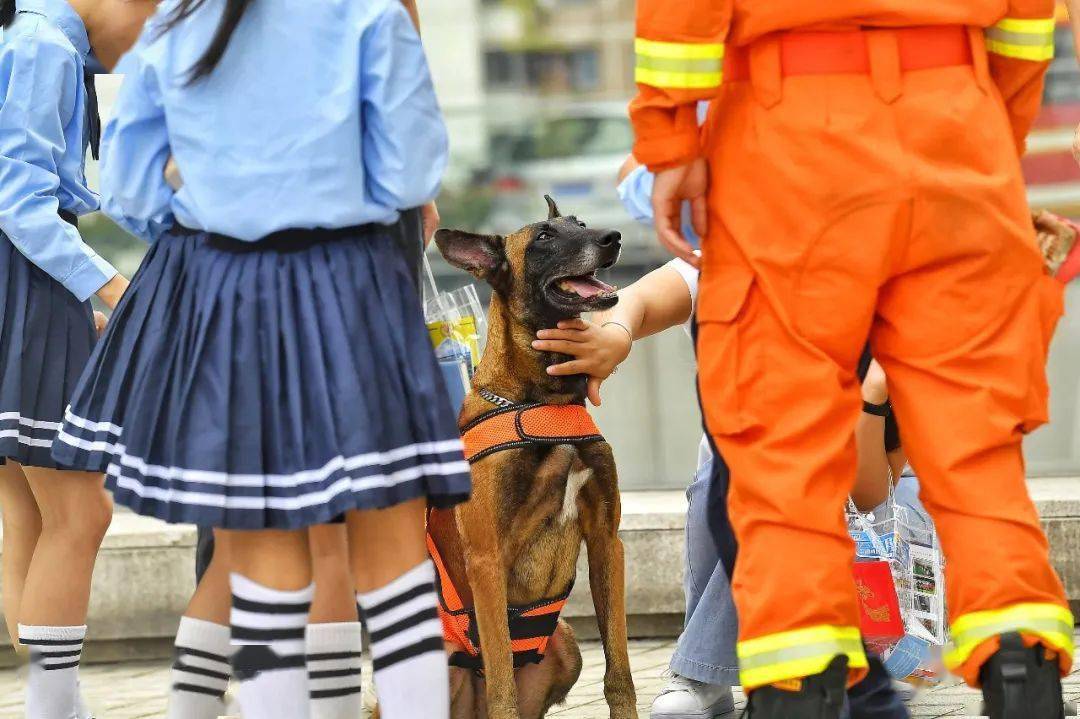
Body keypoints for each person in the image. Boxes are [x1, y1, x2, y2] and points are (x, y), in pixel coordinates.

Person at [629, 2, 1071, 716]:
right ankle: (1023, 668)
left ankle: (799, 685)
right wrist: (991, 134)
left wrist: (670, 140)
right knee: (978, 454)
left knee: (784, 462)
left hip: (787, 135)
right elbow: (1026, 23)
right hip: (956, 118)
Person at [48, 1, 469, 718]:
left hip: (231, 294)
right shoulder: (370, 17)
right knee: (393, 562)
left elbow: (132, 190)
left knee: (263, 572)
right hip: (356, 285)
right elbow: (409, 173)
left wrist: (219, 195)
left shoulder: (177, 26)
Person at [0, 1, 154, 717]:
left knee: (26, 511)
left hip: (25, 282)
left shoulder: (29, 34)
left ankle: (52, 706)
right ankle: (55, 707)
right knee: (80, 511)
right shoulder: (47, 48)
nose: (141, 50)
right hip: (24, 276)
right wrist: (119, 288)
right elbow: (22, 202)